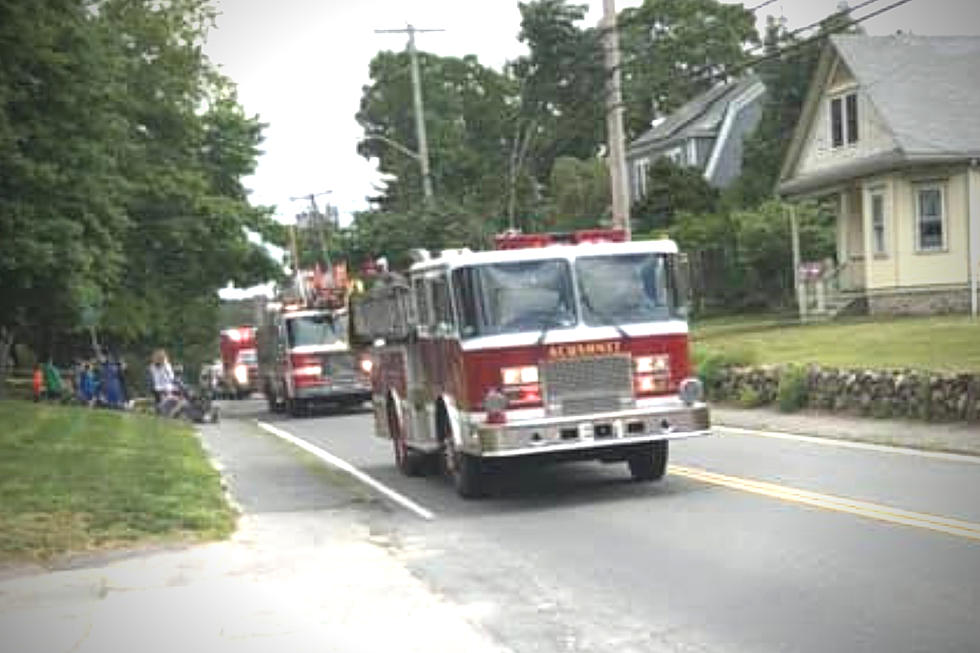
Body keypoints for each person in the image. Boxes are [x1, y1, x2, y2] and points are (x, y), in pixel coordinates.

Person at [149, 349, 183, 417]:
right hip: (166, 388)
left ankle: (160, 412)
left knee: (160, 402)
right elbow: (171, 377)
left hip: (157, 388)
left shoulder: (152, 366)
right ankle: (168, 413)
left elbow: (153, 377)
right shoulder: (166, 366)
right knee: (174, 401)